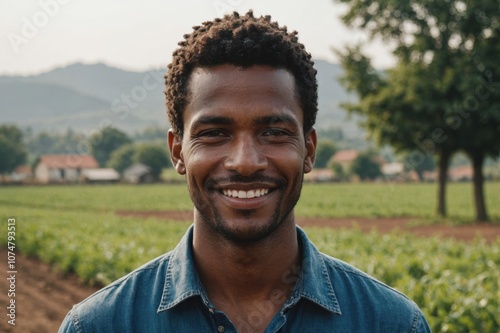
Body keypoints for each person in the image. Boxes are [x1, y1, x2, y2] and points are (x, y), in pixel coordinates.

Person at [59, 11, 431, 333]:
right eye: (214, 133)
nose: (245, 162)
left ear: (309, 150)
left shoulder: (392, 323)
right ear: (178, 152)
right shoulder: (98, 325)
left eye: (273, 132)